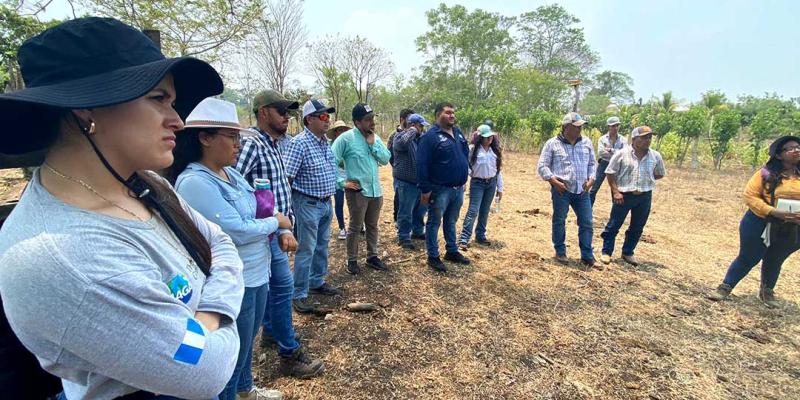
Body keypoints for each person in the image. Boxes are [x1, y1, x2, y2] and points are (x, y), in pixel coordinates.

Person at [0, 17, 241, 400]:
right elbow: (207, 370)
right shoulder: (62, 255)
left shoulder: (146, 184)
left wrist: (201, 319)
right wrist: (221, 312)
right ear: (86, 108)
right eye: (158, 98)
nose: (178, 121)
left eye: (174, 102)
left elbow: (222, 242)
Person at [168, 98, 297, 399]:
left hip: (256, 270)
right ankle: (232, 391)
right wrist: (275, 222)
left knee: (246, 342)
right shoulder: (195, 182)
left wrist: (274, 221)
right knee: (228, 356)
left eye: (238, 137)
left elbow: (258, 207)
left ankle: (245, 389)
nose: (238, 144)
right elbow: (236, 230)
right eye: (232, 137)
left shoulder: (232, 174)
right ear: (205, 138)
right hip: (231, 280)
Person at [235, 91, 323, 372]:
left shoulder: (273, 144)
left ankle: (273, 332)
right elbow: (232, 187)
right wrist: (274, 224)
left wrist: (286, 225)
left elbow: (276, 189)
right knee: (283, 288)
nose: (287, 116)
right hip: (263, 234)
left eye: (289, 111)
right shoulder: (251, 143)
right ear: (263, 112)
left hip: (275, 231)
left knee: (276, 289)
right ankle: (289, 354)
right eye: (281, 110)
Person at [708, 136, 800, 308]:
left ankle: (767, 292)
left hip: (791, 227)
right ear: (779, 155)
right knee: (749, 256)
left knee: (776, 258)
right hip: (759, 222)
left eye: (798, 147)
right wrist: (772, 211)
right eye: (791, 148)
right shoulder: (765, 174)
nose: (796, 150)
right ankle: (725, 287)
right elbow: (750, 196)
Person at [284, 99, 341, 312]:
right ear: (310, 119)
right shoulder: (299, 144)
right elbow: (287, 178)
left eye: (328, 116)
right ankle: (298, 293)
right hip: (307, 202)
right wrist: (288, 209)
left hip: (326, 202)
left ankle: (316, 281)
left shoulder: (324, 142)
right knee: (306, 248)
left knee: (322, 245)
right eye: (323, 117)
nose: (328, 121)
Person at [331, 103, 391, 275]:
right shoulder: (345, 138)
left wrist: (373, 145)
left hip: (375, 191)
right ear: (357, 122)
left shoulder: (375, 137)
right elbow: (330, 161)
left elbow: (386, 159)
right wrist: (341, 182)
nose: (372, 122)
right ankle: (352, 260)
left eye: (372, 118)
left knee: (372, 226)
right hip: (357, 192)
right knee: (355, 227)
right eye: (367, 119)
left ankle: (372, 257)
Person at [599, 126, 666, 268]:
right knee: (614, 225)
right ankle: (607, 252)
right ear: (634, 139)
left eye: (649, 137)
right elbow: (610, 173)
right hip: (623, 195)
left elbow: (659, 173)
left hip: (644, 196)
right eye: (644, 137)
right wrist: (616, 192)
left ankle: (628, 252)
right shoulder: (622, 154)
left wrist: (645, 180)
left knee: (637, 226)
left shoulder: (655, 156)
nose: (647, 140)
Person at [537, 112, 597, 268]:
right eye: (576, 127)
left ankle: (587, 255)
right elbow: (542, 166)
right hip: (561, 190)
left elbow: (592, 164)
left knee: (587, 222)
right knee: (559, 220)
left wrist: (591, 179)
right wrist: (554, 181)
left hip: (582, 191)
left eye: (581, 127)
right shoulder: (552, 144)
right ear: (566, 127)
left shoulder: (586, 143)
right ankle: (560, 251)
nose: (579, 130)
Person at [417, 102, 471, 272]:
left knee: (451, 221)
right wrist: (425, 189)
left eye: (453, 112)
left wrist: (463, 177)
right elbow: (422, 164)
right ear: (438, 115)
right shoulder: (430, 137)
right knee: (434, 222)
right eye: (448, 112)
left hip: (457, 188)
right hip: (440, 189)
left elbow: (464, 154)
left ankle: (452, 251)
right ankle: (433, 256)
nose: (452, 115)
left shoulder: (458, 132)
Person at [459, 124, 504, 249]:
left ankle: (480, 236)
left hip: (491, 183)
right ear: (480, 138)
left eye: (491, 136)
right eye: (486, 137)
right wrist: (463, 181)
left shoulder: (494, 151)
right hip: (477, 183)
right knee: (473, 211)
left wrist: (500, 188)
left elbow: (498, 170)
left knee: (484, 211)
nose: (489, 139)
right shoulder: (472, 149)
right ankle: (464, 238)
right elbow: (466, 167)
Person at [392, 113, 430, 250]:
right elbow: (402, 144)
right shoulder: (399, 137)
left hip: (420, 183)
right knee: (405, 212)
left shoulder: (419, 140)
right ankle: (404, 237)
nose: (422, 129)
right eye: (420, 126)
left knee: (420, 211)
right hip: (406, 183)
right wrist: (412, 130)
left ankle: (418, 231)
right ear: (412, 126)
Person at [590, 116, 626, 206]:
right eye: (613, 126)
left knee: (615, 189)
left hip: (617, 166)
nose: (616, 128)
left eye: (617, 125)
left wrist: (610, 150)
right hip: (604, 163)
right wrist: (617, 152)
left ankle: (615, 213)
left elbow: (625, 153)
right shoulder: (602, 139)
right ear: (608, 127)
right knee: (594, 187)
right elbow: (601, 152)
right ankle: (588, 210)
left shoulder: (623, 139)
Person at [387, 108, 415, 223]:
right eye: (409, 119)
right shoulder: (394, 135)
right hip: (400, 173)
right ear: (402, 119)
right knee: (400, 198)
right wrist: (397, 166)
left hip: (413, 174)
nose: (411, 122)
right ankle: (397, 220)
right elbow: (390, 154)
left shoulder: (416, 134)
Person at [327, 120, 351, 240]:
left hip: (351, 176)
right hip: (337, 178)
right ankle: (342, 227)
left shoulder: (349, 143)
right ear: (335, 132)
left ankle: (358, 225)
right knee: (339, 202)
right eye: (339, 130)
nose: (342, 132)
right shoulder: (330, 146)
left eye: (344, 130)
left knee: (355, 202)